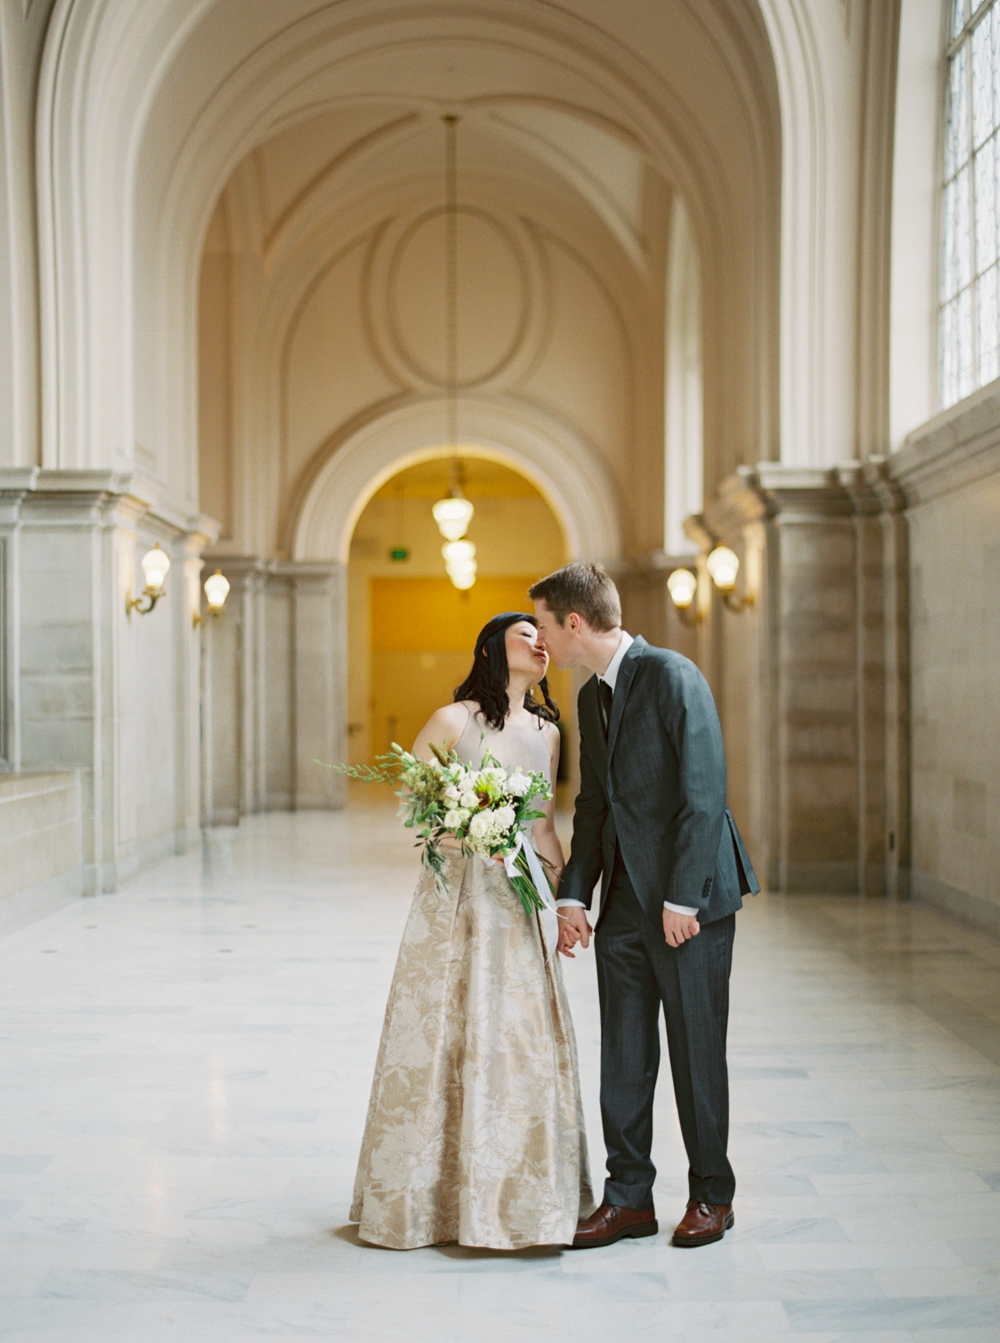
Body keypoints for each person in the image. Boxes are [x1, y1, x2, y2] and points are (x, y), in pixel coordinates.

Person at [529, 563, 759, 1250]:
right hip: (625, 904)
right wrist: (575, 894)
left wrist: (683, 895)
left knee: (695, 1053)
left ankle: (712, 1195)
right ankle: (628, 1196)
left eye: (542, 623)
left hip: (689, 902)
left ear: (574, 622)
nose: (540, 639)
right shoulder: (588, 696)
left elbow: (704, 793)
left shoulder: (672, 675)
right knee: (624, 1053)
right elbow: (595, 804)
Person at [350, 612, 595, 1250]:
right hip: (457, 897)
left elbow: (541, 825)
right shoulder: (453, 720)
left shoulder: (547, 729)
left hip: (517, 903)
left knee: (516, 1040)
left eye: (544, 637)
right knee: (446, 1032)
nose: (541, 643)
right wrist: (466, 829)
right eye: (525, 634)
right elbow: (414, 803)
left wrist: (566, 902)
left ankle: (517, 1195)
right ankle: (431, 1197)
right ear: (492, 648)